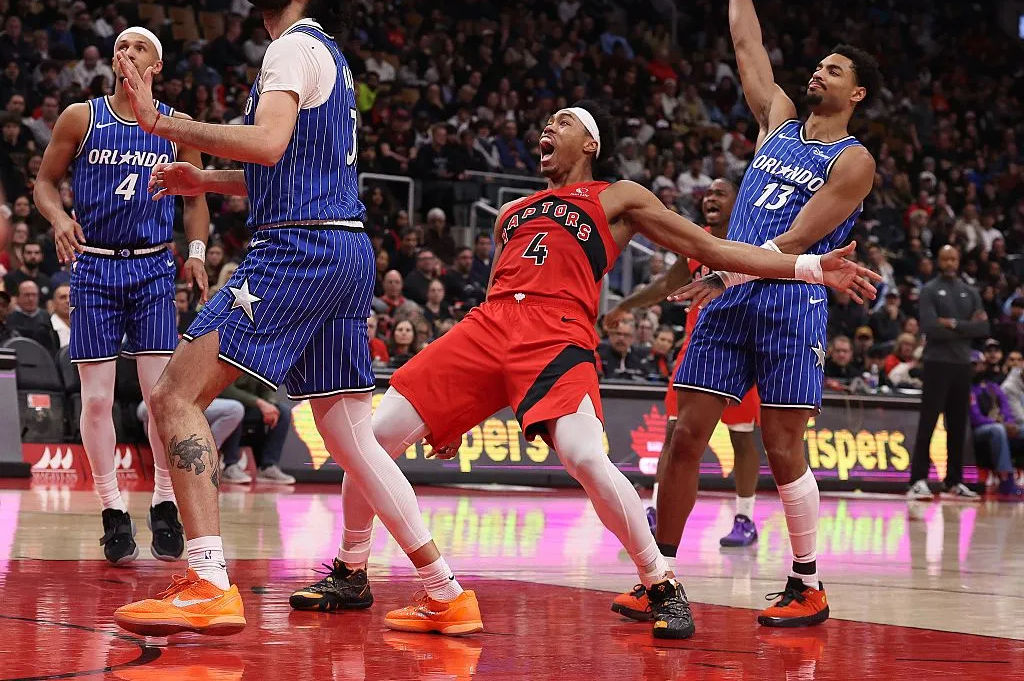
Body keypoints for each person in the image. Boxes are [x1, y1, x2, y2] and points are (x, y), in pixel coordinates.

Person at [286, 100, 878, 640]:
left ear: (590, 143)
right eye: (545, 123)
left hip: (556, 333)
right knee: (369, 440)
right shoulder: (512, 212)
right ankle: (352, 569)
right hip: (489, 324)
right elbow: (500, 306)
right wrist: (460, 415)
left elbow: (712, 248)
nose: (547, 128)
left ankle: (661, 584)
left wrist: (805, 266)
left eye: (562, 122)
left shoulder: (618, 196)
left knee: (585, 458)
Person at [111, 0, 479, 639]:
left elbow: (270, 143)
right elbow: (284, 163)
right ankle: (444, 589)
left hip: (300, 249)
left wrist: (163, 123)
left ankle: (209, 581)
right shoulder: (327, 59)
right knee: (351, 438)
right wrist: (206, 180)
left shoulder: (291, 48)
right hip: (343, 249)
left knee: (173, 395)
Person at [653, 0, 881, 633]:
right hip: (729, 294)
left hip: (788, 299)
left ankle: (806, 583)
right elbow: (748, 45)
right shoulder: (777, 120)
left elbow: (796, 240)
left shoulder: (853, 160)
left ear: (858, 93)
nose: (816, 74)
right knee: (686, 435)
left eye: (832, 71)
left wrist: (728, 274)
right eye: (816, 66)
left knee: (783, 449)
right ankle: (657, 574)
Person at [34, 25, 210, 566]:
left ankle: (162, 500)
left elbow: (197, 196)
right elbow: (44, 183)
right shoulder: (81, 117)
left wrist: (198, 251)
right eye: (121, 46)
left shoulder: (176, 126)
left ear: (156, 65)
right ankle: (112, 509)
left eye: (138, 48)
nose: (125, 52)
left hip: (155, 267)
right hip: (95, 267)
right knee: (94, 398)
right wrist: (61, 217)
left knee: (161, 400)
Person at [603, 178, 763, 600]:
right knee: (674, 435)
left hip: (742, 349)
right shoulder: (698, 242)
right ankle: (658, 509)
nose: (710, 199)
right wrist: (625, 305)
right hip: (697, 351)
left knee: (743, 439)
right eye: (706, 194)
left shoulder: (756, 238)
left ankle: (745, 517)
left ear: (738, 201)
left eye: (719, 193)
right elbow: (665, 286)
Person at [907, 245, 988, 502]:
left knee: (957, 424)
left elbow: (983, 327)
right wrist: (965, 327)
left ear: (959, 260)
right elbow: (931, 327)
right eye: (945, 258)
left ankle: (954, 481)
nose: (950, 262)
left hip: (963, 365)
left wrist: (952, 324)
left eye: (953, 257)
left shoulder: (970, 292)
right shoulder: (930, 290)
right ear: (939, 261)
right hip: (936, 363)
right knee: (928, 423)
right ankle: (918, 480)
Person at [218, 375, 297, 485]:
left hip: (251, 407)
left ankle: (267, 467)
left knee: (282, 411)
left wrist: (271, 404)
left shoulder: (259, 360)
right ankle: (230, 465)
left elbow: (266, 387)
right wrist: (258, 402)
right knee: (236, 408)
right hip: (226, 404)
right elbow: (224, 389)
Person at [967, 351, 1023, 496]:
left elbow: (1006, 409)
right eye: (973, 365)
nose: (977, 368)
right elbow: (975, 418)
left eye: (980, 364)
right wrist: (1001, 425)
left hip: (999, 426)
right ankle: (1007, 479)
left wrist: (1010, 424)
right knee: (997, 430)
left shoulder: (992, 387)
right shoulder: (967, 389)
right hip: (976, 431)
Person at [7, 279, 59, 354]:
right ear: (17, 297)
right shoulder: (10, 318)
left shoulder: (46, 317)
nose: (30, 299)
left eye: (34, 295)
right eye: (26, 295)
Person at [49, 282, 72, 349]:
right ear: (53, 303)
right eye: (62, 297)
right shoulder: (47, 330)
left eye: (71, 297)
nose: (68, 301)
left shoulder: (86, 326)